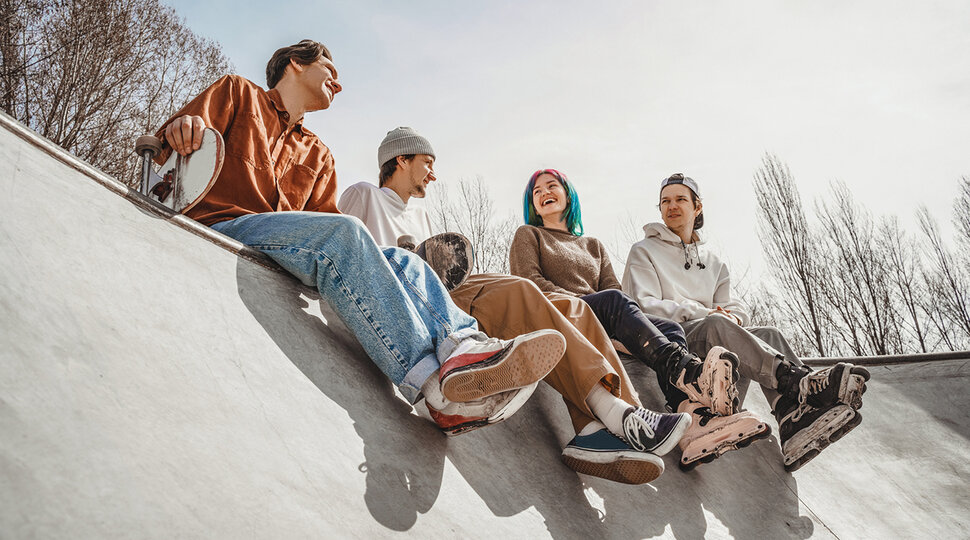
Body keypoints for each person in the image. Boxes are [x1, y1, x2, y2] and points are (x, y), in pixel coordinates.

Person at [151, 40, 567, 436]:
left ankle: (463, 346)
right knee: (349, 232)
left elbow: (328, 232)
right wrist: (182, 128)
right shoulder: (237, 92)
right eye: (330, 69)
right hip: (223, 220)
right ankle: (431, 387)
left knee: (406, 261)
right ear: (296, 62)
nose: (339, 82)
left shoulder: (318, 154)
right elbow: (163, 154)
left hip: (285, 244)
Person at [338, 128, 691, 484]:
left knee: (577, 310)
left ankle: (598, 428)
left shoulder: (423, 216)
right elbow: (345, 249)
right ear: (401, 159)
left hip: (440, 293)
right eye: (427, 163)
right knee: (520, 289)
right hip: (404, 292)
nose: (433, 173)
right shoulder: (363, 194)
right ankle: (620, 416)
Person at [509, 169, 774, 470]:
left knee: (670, 327)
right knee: (613, 301)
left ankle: (692, 424)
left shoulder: (593, 245)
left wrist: (610, 332)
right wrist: (588, 314)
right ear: (532, 203)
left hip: (598, 315)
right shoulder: (528, 235)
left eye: (552, 186)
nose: (545, 193)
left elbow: (613, 290)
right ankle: (688, 372)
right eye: (537, 191)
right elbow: (529, 285)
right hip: (559, 312)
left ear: (568, 195)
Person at [621, 173, 871, 472]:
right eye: (665, 201)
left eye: (679, 200)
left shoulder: (712, 261)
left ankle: (791, 420)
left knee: (768, 332)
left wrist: (733, 316)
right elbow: (645, 305)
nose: (671, 206)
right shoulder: (643, 250)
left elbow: (734, 305)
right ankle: (799, 382)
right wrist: (705, 312)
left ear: (697, 207)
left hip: (713, 330)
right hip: (672, 337)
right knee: (715, 323)